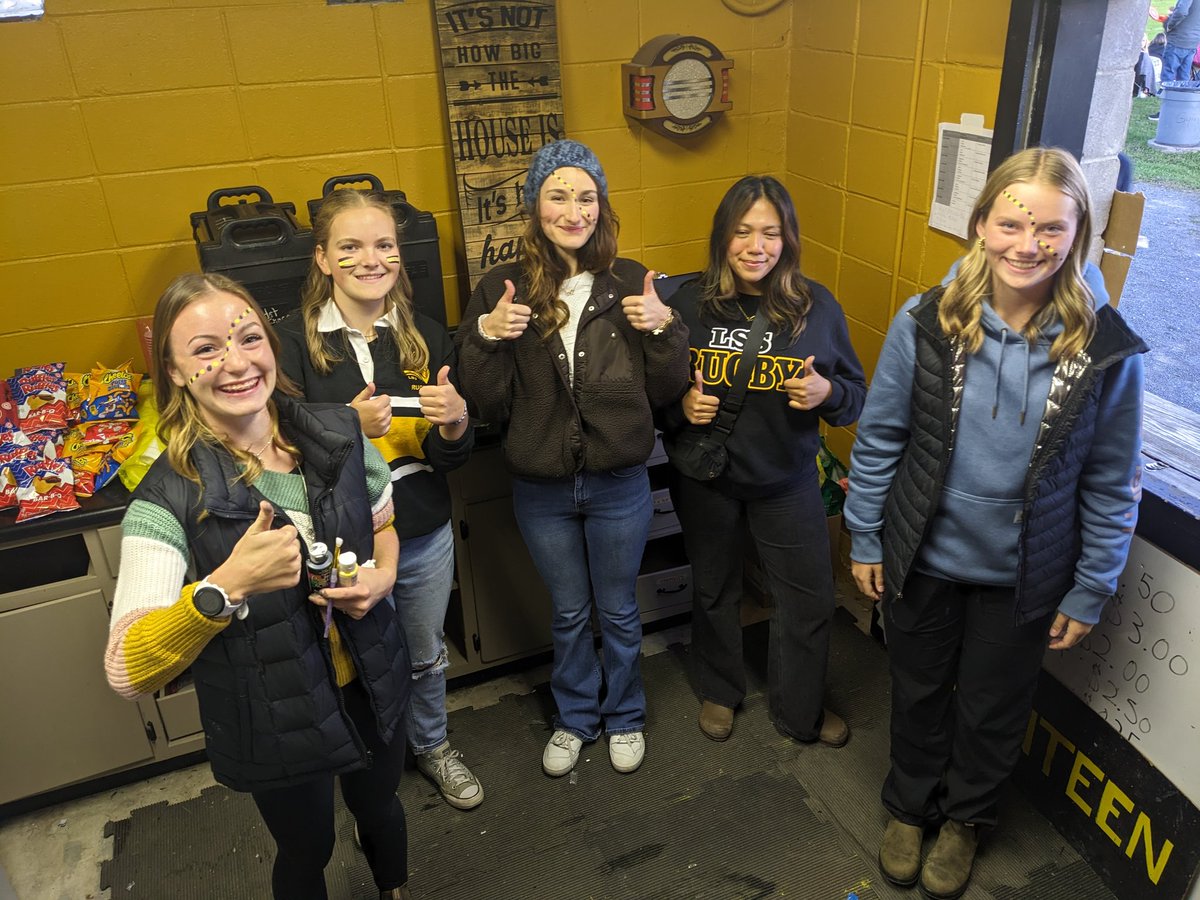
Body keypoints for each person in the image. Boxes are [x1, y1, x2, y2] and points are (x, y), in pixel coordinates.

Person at [844, 148, 1146, 900]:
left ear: (1076, 236)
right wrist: (868, 535)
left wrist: (1090, 587)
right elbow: (882, 437)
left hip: (1024, 576)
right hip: (924, 557)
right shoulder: (927, 320)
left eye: (1050, 227)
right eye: (1011, 222)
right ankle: (910, 809)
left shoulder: (1104, 349)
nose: (1027, 243)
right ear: (981, 225)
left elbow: (1114, 481)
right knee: (916, 690)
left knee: (993, 708)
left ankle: (965, 822)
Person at [104, 273, 414, 900]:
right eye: (206, 348)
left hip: (370, 676)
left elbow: (384, 524)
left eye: (249, 337)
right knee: (308, 847)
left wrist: (382, 577)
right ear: (174, 370)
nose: (237, 362)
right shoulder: (164, 502)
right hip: (273, 713)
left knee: (381, 808)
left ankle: (393, 886)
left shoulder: (337, 433)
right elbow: (126, 670)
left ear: (271, 344)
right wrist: (225, 586)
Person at [455, 139, 691, 778]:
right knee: (567, 612)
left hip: (619, 482)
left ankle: (626, 716)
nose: (573, 209)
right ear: (535, 205)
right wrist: (485, 336)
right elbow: (483, 401)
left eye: (586, 196)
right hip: (543, 488)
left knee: (618, 609)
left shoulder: (630, 282)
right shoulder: (504, 290)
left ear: (601, 205)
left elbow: (669, 391)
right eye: (558, 195)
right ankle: (575, 718)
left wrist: (665, 330)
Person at [276, 189, 482, 811]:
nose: (372, 259)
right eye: (352, 246)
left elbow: (451, 460)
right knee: (342, 663)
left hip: (419, 531)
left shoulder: (426, 335)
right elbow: (280, 450)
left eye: (385, 245)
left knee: (422, 657)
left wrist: (454, 425)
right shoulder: (290, 344)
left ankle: (432, 745)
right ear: (323, 259)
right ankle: (363, 766)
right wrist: (345, 425)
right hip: (336, 542)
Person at [661, 176, 866, 748]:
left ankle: (798, 710)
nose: (757, 246)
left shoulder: (816, 306)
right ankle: (719, 690)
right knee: (714, 588)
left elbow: (856, 393)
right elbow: (652, 391)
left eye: (770, 233)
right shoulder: (689, 303)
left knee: (809, 599)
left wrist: (829, 396)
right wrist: (680, 405)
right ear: (722, 239)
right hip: (708, 477)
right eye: (743, 232)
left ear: (789, 239)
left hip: (787, 480)